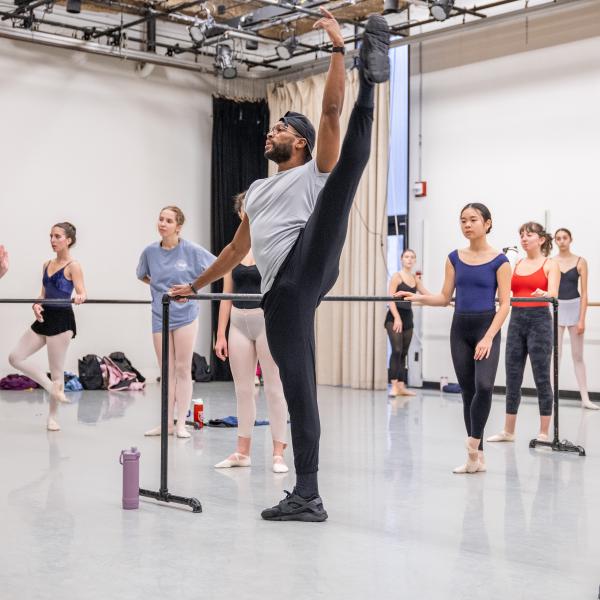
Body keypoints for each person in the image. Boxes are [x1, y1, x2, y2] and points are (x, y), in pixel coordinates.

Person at [171, 8, 391, 521]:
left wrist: (337, 49)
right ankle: (307, 493)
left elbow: (329, 113)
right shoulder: (256, 191)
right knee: (298, 387)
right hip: (282, 295)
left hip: (307, 258)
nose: (270, 135)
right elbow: (231, 252)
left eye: (280, 129)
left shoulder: (315, 168)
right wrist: (196, 287)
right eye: (270, 130)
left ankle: (371, 83)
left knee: (342, 178)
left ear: (302, 140)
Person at [397, 204, 511, 473]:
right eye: (462, 221)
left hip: (487, 327)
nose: (467, 225)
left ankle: (472, 445)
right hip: (460, 329)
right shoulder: (454, 258)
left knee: (484, 386)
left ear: (488, 223)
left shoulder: (500, 261)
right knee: (468, 392)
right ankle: (476, 459)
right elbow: (444, 297)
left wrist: (488, 337)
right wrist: (420, 297)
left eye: (473, 220)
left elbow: (505, 304)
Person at [214, 193, 289, 473]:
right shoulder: (232, 250)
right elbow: (226, 294)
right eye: (245, 209)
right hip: (238, 323)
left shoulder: (272, 247)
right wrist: (220, 334)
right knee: (243, 390)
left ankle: (278, 452)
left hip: (266, 321)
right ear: (240, 213)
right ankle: (241, 451)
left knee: (273, 388)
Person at [137, 206, 215, 438]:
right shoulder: (150, 252)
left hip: (186, 315)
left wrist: (193, 289)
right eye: (160, 219)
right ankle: (166, 422)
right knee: (166, 370)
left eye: (168, 221)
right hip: (160, 314)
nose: (162, 223)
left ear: (178, 227)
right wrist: (159, 287)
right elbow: (142, 275)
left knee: (182, 368)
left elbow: (216, 267)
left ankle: (181, 422)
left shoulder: (192, 250)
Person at [8, 223, 86, 431]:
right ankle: (51, 387)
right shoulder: (46, 264)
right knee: (15, 357)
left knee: (57, 372)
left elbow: (82, 291)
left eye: (57, 236)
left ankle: (53, 417)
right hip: (45, 318)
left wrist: (79, 297)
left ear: (68, 240)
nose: (52, 240)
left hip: (62, 321)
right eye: (51, 236)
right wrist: (36, 305)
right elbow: (43, 294)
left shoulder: (73, 265)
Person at [488, 222, 560, 443]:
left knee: (541, 378)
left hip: (540, 323)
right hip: (517, 320)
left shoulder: (551, 264)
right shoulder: (516, 263)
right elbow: (504, 291)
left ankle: (544, 432)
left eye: (529, 235)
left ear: (541, 239)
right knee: (512, 377)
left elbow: (554, 295)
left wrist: (544, 293)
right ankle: (509, 431)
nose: (524, 238)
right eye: (521, 235)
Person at [554, 228, 597, 409]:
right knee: (555, 355)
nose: (562, 241)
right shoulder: (551, 262)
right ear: (555, 241)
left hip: (575, 306)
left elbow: (585, 292)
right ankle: (552, 397)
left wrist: (582, 319)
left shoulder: (580, 262)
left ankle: (585, 398)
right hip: (556, 308)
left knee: (578, 356)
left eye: (565, 238)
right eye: (558, 238)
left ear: (570, 239)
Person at [385, 248, 429, 397]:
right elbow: (390, 299)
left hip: (408, 318)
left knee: (404, 352)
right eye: (406, 256)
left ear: (415, 260)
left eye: (412, 257)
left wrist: (446, 301)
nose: (409, 259)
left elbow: (427, 295)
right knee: (396, 350)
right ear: (401, 259)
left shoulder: (416, 280)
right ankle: (394, 385)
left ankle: (401, 386)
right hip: (394, 317)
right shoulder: (397, 277)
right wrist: (396, 317)